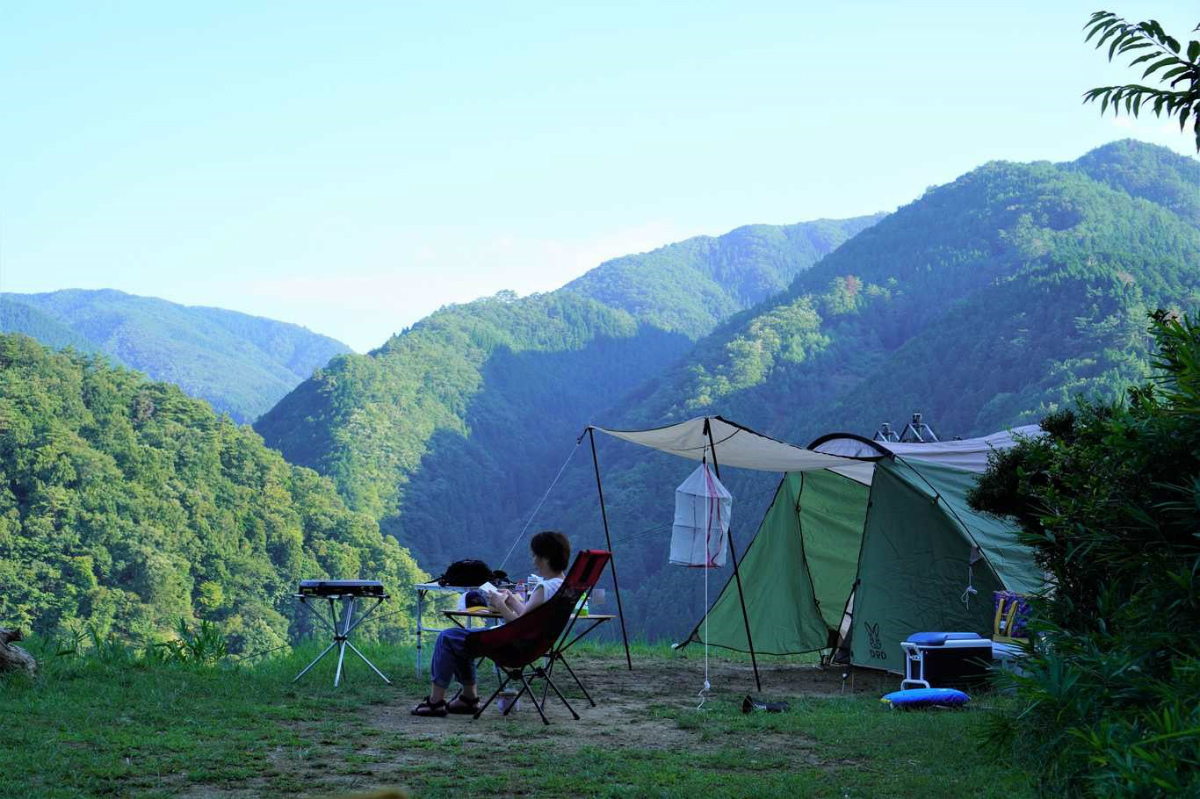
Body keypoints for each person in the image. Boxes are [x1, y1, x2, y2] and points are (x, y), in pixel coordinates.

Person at [411, 530, 570, 717]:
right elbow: (529, 618)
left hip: (514, 646)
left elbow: (520, 625)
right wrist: (511, 600)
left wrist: (499, 604)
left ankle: (436, 702)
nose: (533, 561)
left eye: (535, 555)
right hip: (535, 644)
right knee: (463, 639)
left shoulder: (544, 587)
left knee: (448, 637)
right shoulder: (562, 585)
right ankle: (468, 699)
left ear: (545, 557)